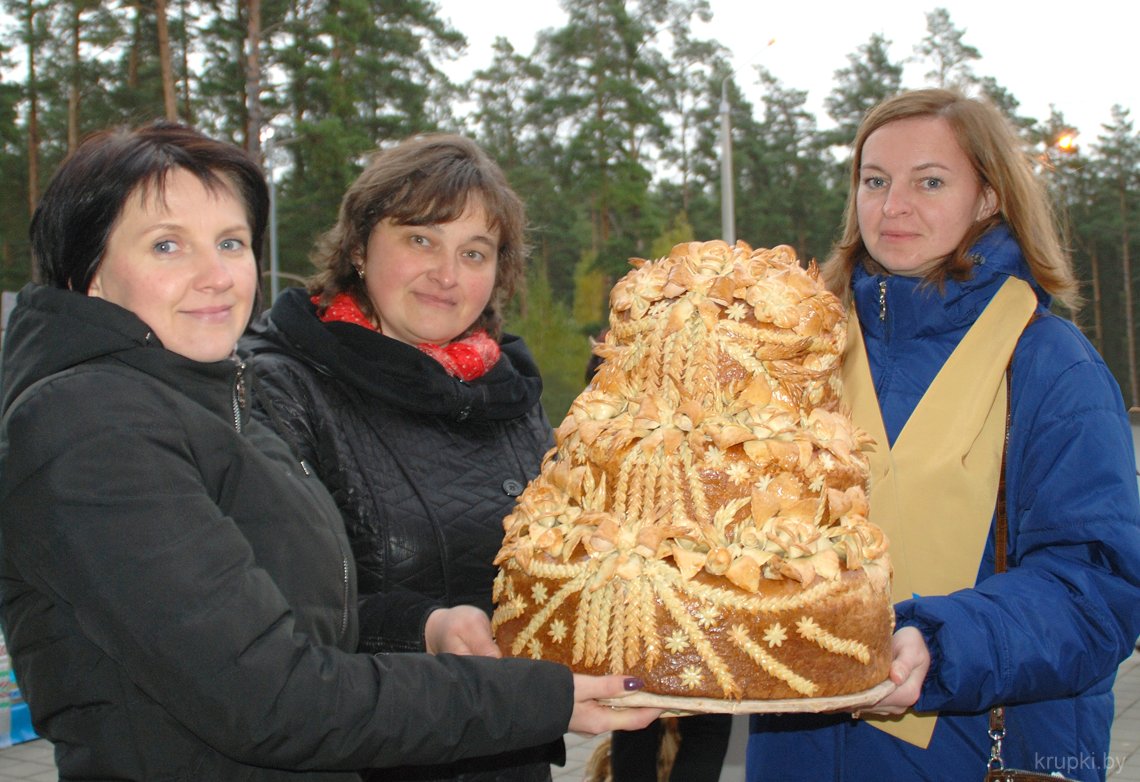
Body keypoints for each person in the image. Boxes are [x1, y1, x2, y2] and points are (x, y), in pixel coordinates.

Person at [0, 121, 660, 781]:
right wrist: (538, 697)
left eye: (230, 243)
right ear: (84, 270)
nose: (215, 276)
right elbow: (268, 697)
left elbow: (306, 613)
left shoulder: (217, 400)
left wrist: (431, 630)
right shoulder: (97, 426)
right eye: (167, 245)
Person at [745, 88, 1140, 782]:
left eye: (929, 181)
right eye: (875, 181)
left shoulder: (1052, 364)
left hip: (979, 747)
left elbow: (1098, 589)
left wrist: (938, 643)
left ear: (989, 197)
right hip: (797, 748)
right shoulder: (798, 357)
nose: (892, 207)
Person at [239, 133, 563, 781]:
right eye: (421, 240)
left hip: (510, 742)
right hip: (365, 754)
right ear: (358, 247)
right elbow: (264, 612)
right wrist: (423, 626)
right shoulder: (282, 386)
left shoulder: (509, 390)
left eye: (475, 252)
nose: (448, 275)